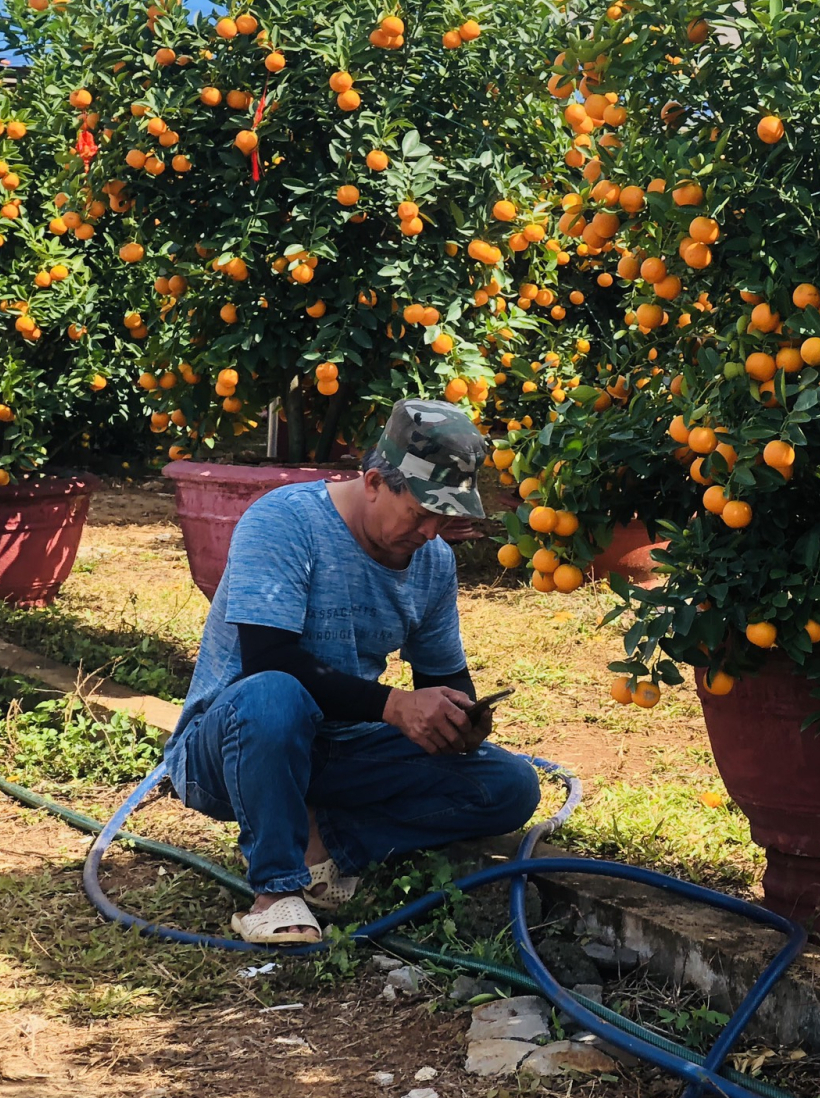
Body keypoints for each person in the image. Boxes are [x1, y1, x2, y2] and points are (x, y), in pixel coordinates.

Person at [163, 399, 540, 945]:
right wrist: (394, 706)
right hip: (231, 749)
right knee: (274, 694)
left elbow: (446, 674)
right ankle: (277, 890)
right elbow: (269, 660)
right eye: (420, 512)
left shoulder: (431, 563)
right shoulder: (283, 523)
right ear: (372, 482)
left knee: (510, 786)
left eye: (445, 517)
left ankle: (327, 841)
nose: (431, 531)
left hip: (340, 747)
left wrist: (460, 719)